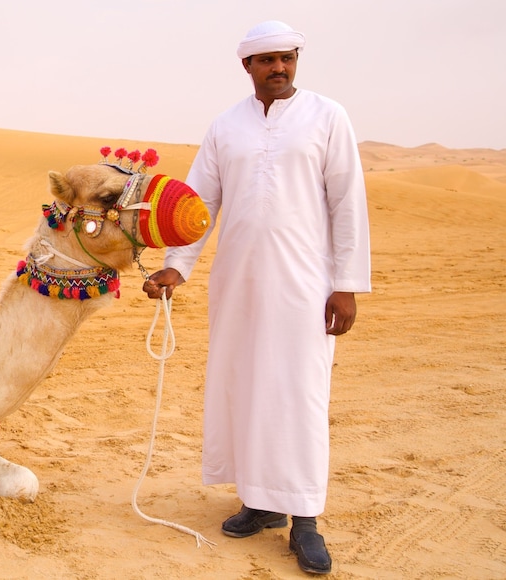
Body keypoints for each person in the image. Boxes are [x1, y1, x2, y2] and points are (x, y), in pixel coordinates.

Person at [143, 20, 370, 575]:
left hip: (306, 285)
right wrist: (176, 267)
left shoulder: (327, 116)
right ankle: (261, 502)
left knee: (299, 394)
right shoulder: (226, 127)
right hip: (239, 283)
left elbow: (348, 203)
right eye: (266, 60)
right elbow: (198, 206)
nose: (279, 68)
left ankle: (306, 520)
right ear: (247, 66)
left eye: (287, 58)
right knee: (246, 386)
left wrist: (346, 283)